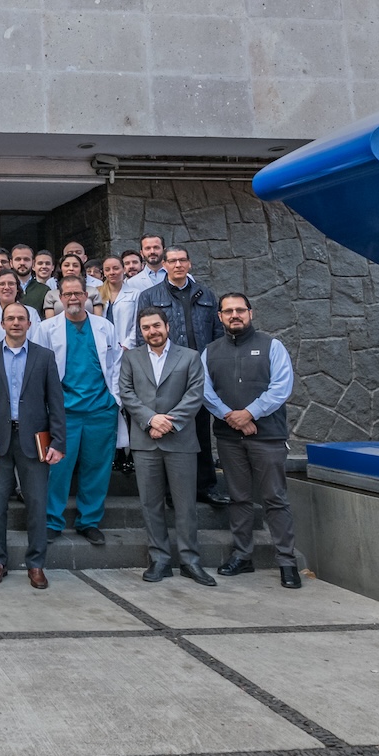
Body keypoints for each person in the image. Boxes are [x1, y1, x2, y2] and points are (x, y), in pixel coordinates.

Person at [201, 294, 301, 588]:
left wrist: (249, 414)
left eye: (240, 310)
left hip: (267, 436)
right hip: (229, 438)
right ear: (220, 316)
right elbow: (205, 391)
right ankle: (242, 556)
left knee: (275, 499)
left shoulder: (273, 346)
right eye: (228, 311)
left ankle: (287, 562)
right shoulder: (209, 352)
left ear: (250, 313)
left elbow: (281, 387)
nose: (234, 315)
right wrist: (230, 416)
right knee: (239, 498)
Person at [118, 305, 214, 585]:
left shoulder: (190, 356)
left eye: (156, 326)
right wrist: (151, 419)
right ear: (141, 331)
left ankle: (190, 560)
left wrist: (169, 423)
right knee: (150, 504)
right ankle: (159, 559)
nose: (152, 331)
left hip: (180, 441)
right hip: (145, 441)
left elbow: (195, 394)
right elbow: (126, 392)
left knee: (185, 505)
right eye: (146, 328)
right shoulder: (131, 358)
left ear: (167, 327)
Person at [0, 301, 66, 588]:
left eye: (21, 318)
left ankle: (36, 564)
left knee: (37, 504)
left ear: (29, 323)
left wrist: (58, 442)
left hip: (35, 440)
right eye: (10, 318)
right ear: (2, 323)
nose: (15, 323)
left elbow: (56, 402)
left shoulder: (44, 356)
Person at [31, 277, 122, 547]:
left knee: (97, 468)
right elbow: (37, 369)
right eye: (68, 294)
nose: (73, 298)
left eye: (78, 293)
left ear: (86, 296)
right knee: (57, 469)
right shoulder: (46, 329)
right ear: (60, 297)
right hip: (63, 412)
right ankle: (52, 522)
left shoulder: (104, 326)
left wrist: (114, 399)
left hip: (100, 410)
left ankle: (89, 521)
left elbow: (116, 364)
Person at [137, 245, 228, 505]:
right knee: (169, 429)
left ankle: (205, 487)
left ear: (189, 264)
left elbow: (216, 334)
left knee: (200, 432)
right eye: (173, 261)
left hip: (199, 372)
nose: (178, 265)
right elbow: (141, 336)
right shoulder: (150, 295)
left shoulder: (206, 294)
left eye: (182, 260)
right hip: (165, 372)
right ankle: (170, 491)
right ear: (164, 265)